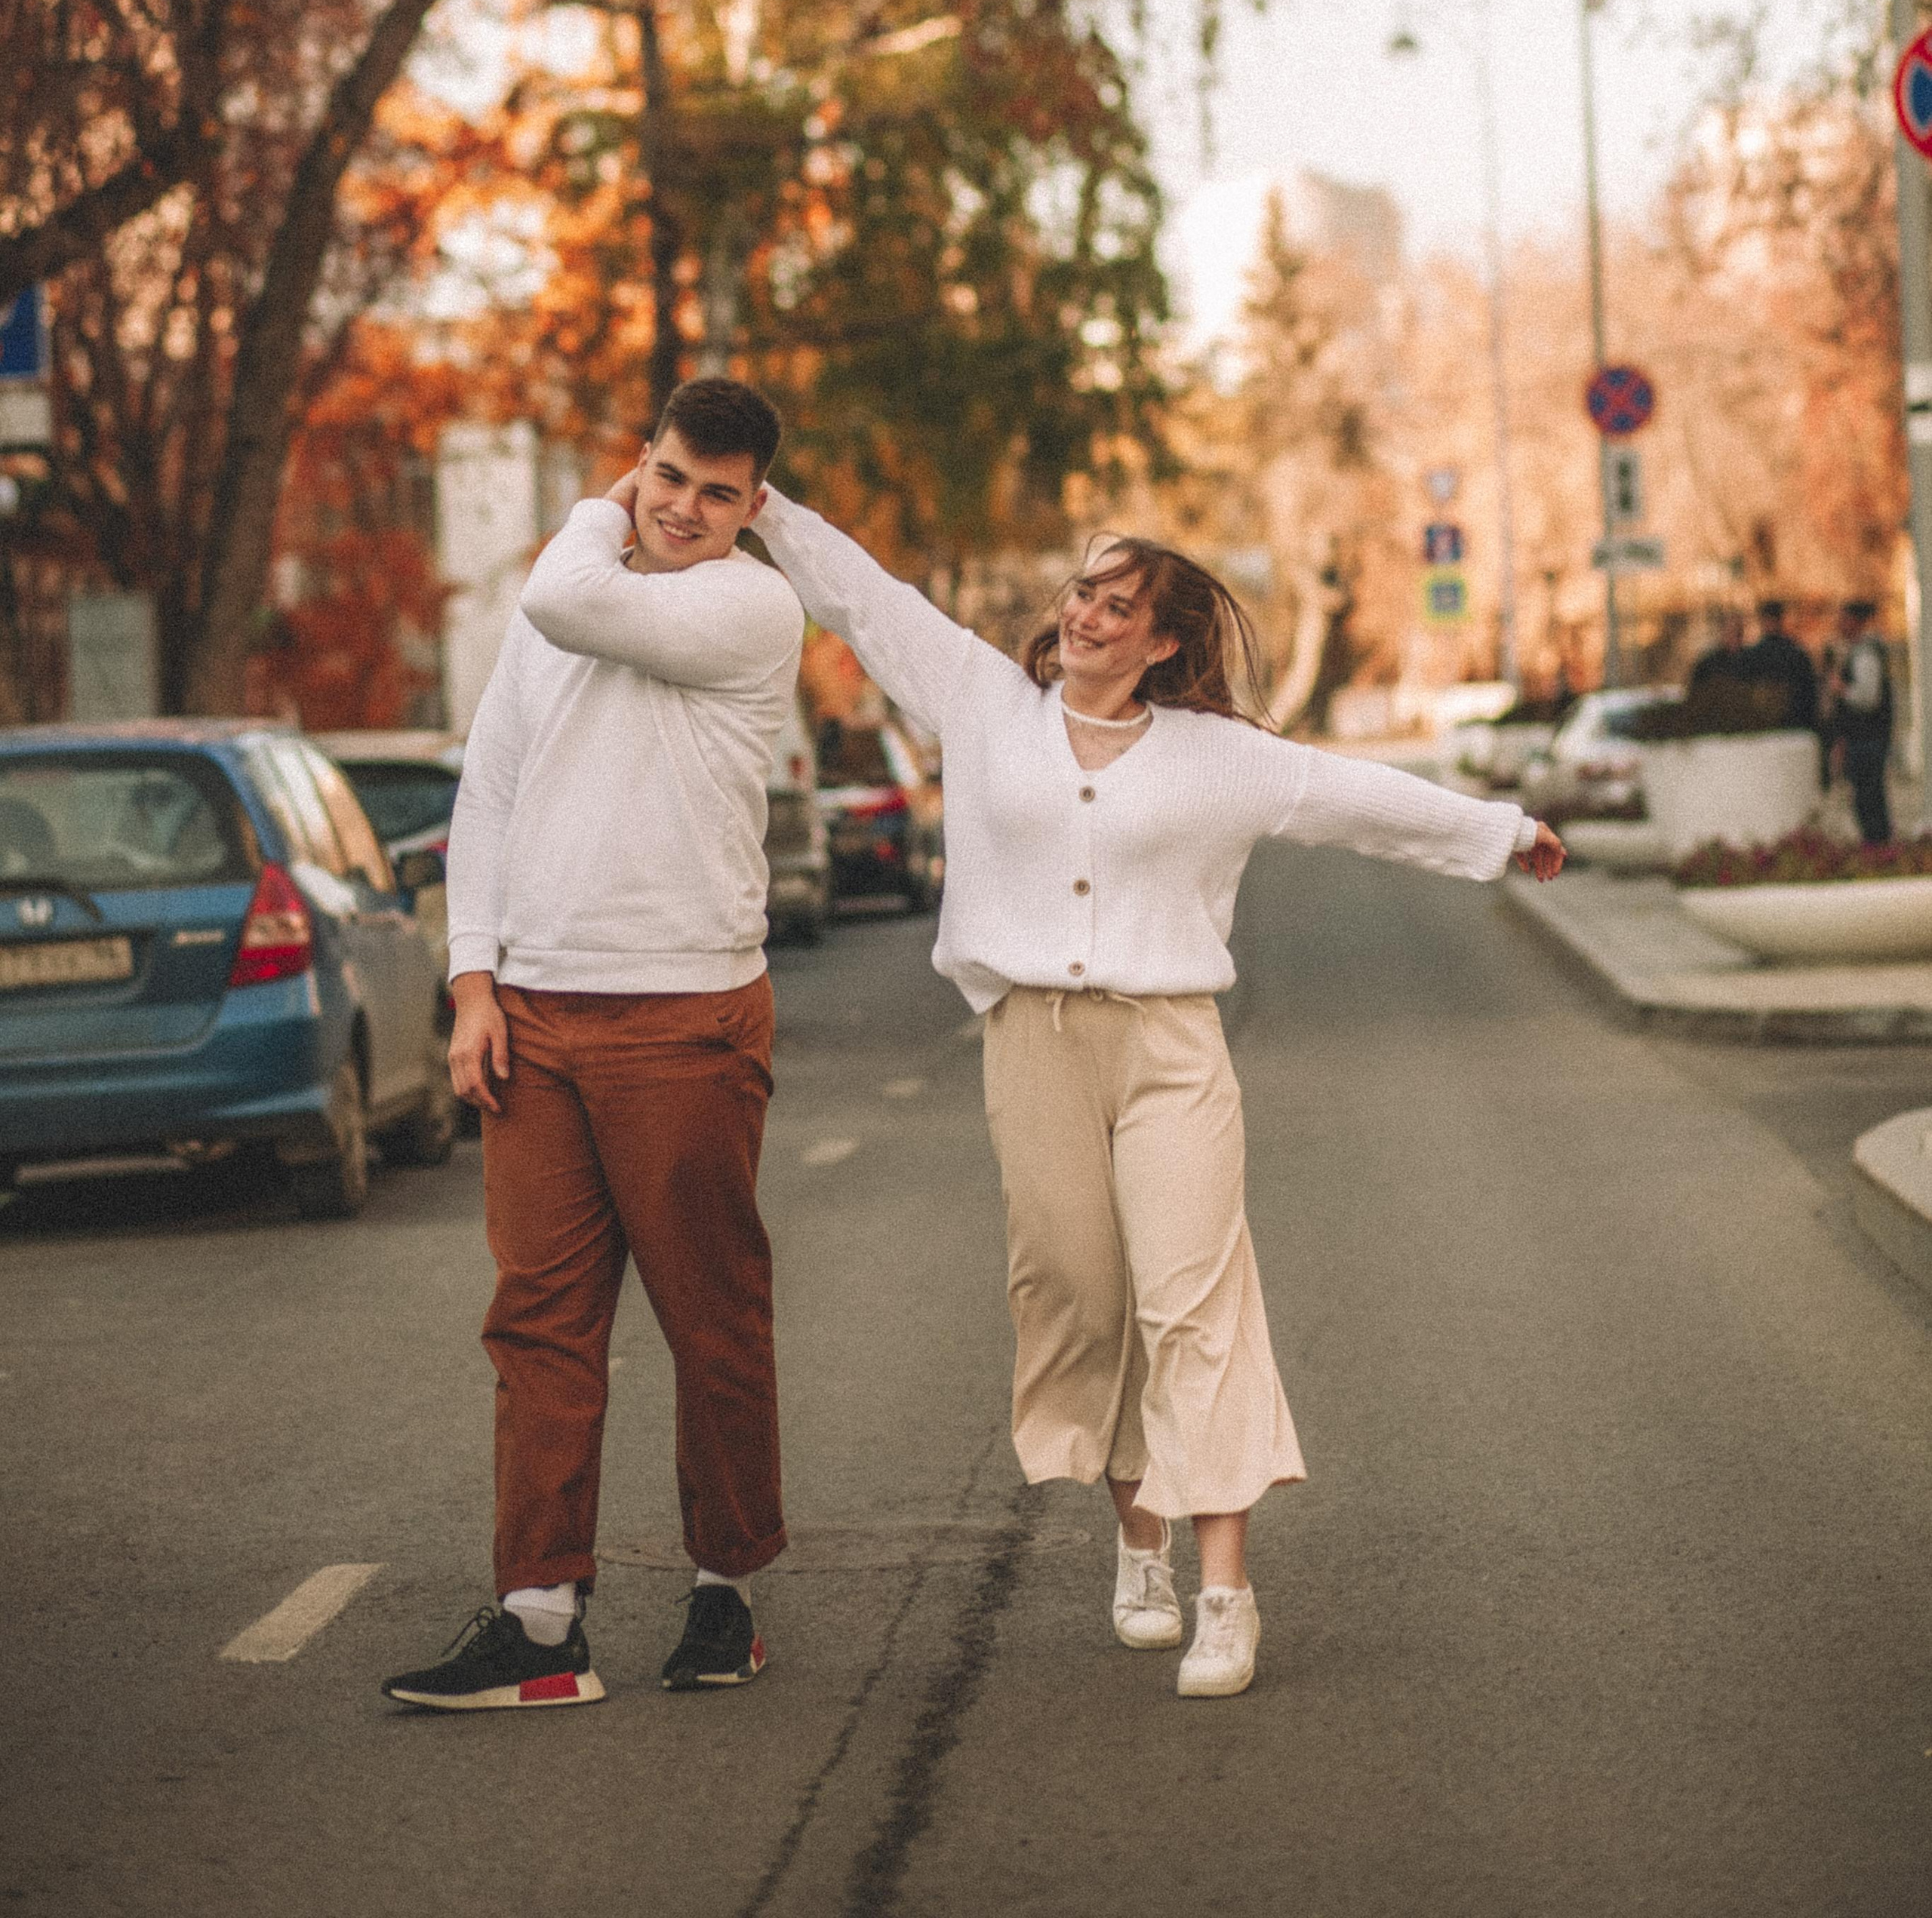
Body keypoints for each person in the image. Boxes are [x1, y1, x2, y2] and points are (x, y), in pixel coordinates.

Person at [749, 485, 1564, 1701]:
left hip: (1171, 1049)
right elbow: (870, 602)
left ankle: (1224, 1592)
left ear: (1165, 641)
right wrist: (765, 506)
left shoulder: (1220, 761)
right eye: (1082, 592)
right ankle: (1138, 1533)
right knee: (1081, 1291)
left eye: (1115, 604)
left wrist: (1500, 833)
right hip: (1030, 1042)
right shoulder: (982, 704)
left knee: (1194, 1300)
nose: (1083, 613)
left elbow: (1359, 801)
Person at [382, 378, 804, 1713]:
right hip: (540, 1016)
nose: (683, 509)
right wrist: (472, 980)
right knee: (540, 1322)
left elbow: (568, 596)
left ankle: (724, 1596)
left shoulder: (749, 605)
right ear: (650, 462)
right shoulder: (569, 602)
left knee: (708, 1317)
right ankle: (541, 1624)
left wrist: (591, 506)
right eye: (669, 477)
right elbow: (490, 789)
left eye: (716, 493)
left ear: (753, 511)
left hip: (684, 1015)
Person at [1823, 601, 1894, 846]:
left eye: (1843, 619)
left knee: (1869, 798)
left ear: (1855, 621)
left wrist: (1841, 689)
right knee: (1866, 797)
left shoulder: (1865, 654)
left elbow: (1868, 698)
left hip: (1868, 739)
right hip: (1863, 739)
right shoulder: (1858, 651)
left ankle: (1879, 848)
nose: (1839, 625)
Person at [1738, 599, 1819, 734]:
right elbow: (1809, 694)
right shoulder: (1797, 652)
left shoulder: (1752, 655)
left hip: (1762, 728)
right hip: (1793, 727)